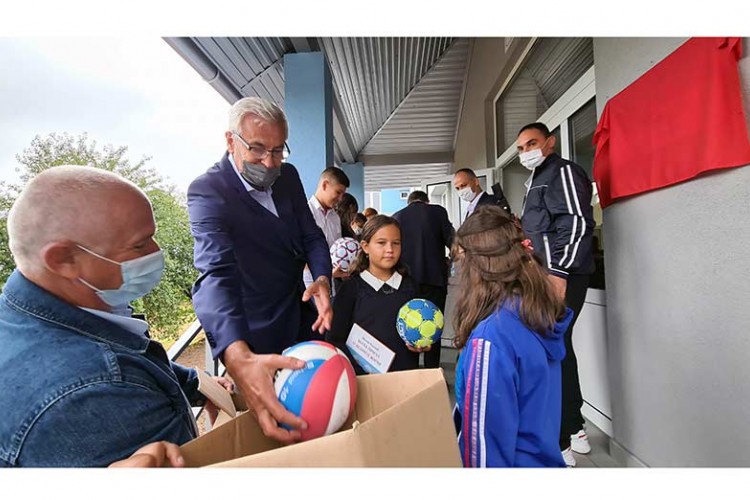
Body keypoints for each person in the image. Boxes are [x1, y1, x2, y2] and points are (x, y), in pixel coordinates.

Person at [0, 166, 213, 467]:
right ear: (64, 259)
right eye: (139, 245)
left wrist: (201, 385)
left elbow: (131, 357)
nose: (156, 251)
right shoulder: (96, 394)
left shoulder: (27, 313)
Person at [187, 96, 333, 444]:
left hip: (302, 317)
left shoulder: (289, 177)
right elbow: (215, 275)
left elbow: (310, 234)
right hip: (253, 336)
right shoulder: (208, 192)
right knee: (270, 435)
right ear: (230, 141)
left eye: (278, 151)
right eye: (256, 150)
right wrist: (237, 356)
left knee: (317, 417)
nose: (269, 162)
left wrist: (323, 278)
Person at [452, 205, 574, 468]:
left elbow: (484, 449)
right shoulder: (536, 314)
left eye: (460, 261)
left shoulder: (490, 339)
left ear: (477, 265)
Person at [516, 121, 596, 466]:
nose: (525, 152)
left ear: (549, 142)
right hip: (545, 274)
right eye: (520, 148)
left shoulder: (561, 171)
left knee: (552, 350)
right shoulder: (536, 180)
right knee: (559, 348)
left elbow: (576, 223)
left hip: (561, 276)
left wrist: (558, 272)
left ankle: (561, 440)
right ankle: (575, 426)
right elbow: (545, 227)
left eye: (531, 143)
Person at [326, 215, 428, 374]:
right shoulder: (351, 289)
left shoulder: (410, 286)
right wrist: (358, 371)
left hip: (405, 378)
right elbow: (335, 338)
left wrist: (422, 343)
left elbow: (421, 327)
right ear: (365, 246)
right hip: (364, 383)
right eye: (381, 243)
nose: (390, 249)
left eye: (396, 243)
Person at [392, 190, 454, 369]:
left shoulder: (397, 217)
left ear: (409, 202)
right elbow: (453, 241)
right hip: (434, 281)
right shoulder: (438, 212)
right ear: (426, 202)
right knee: (433, 326)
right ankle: (432, 371)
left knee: (407, 326)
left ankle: (409, 369)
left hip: (405, 282)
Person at [303, 167, 352, 291]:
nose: (340, 199)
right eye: (338, 192)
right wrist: (325, 271)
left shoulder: (335, 217)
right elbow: (297, 256)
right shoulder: (304, 213)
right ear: (325, 185)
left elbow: (337, 249)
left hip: (331, 287)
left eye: (343, 194)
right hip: (309, 286)